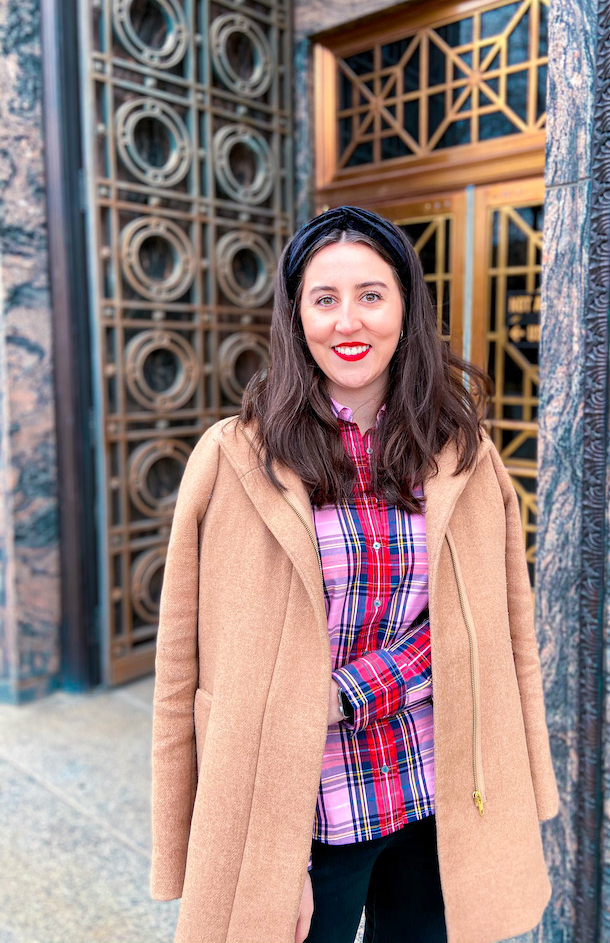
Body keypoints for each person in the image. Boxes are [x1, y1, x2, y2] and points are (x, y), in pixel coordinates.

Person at [150, 206, 559, 943]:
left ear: (405, 307)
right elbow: (183, 663)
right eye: (325, 298)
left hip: (437, 793)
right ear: (295, 314)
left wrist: (347, 694)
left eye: (371, 295)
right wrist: (224, 838)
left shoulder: (461, 452)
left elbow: (502, 631)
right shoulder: (234, 457)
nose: (349, 321)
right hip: (303, 812)